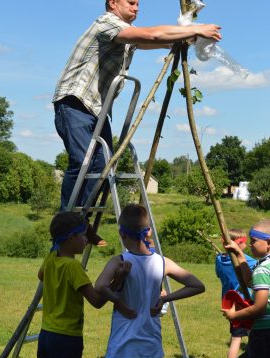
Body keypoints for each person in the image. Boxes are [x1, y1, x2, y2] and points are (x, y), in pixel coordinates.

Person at [53, 0, 222, 211]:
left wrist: (187, 36)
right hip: (75, 103)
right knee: (82, 162)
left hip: (97, 109)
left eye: (138, 4)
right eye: (131, 2)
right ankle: (67, 222)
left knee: (104, 165)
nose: (136, 8)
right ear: (113, 3)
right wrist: (196, 28)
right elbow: (152, 35)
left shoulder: (126, 33)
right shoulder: (106, 23)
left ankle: (81, 220)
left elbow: (155, 41)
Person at [95, 203, 206, 358]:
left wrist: (118, 302)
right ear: (149, 232)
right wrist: (165, 299)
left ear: (122, 234)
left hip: (122, 349)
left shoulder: (119, 261)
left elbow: (99, 286)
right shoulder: (163, 262)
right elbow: (197, 286)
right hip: (151, 349)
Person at [37, 211, 135, 358]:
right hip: (67, 338)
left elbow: (41, 275)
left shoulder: (51, 258)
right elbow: (97, 301)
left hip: (46, 334)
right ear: (70, 238)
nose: (87, 240)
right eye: (83, 235)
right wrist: (119, 278)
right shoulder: (73, 266)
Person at [221, 220, 270, 358]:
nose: (250, 244)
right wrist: (239, 255)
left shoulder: (262, 269)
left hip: (264, 333)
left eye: (254, 241)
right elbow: (251, 282)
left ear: (268, 243)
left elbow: (259, 308)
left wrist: (234, 316)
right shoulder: (264, 265)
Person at [215, 229, 257, 358]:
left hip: (229, 304)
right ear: (238, 243)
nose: (248, 245)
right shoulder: (248, 261)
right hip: (244, 303)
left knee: (235, 338)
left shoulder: (219, 259)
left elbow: (218, 274)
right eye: (244, 242)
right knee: (252, 336)